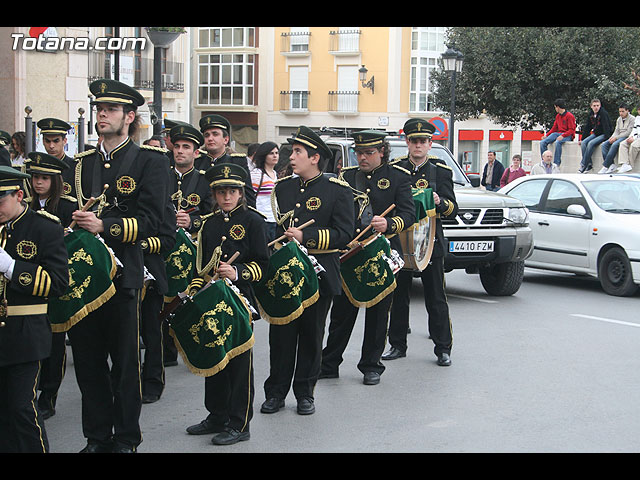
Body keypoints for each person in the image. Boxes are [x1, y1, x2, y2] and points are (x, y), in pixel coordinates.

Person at [67, 78, 170, 453]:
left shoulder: (151, 162)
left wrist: (105, 226)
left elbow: (154, 221)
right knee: (89, 364)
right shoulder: (81, 165)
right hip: (82, 278)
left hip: (123, 274)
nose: (101, 115)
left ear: (129, 116)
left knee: (126, 364)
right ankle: (96, 437)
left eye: (109, 110)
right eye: (98, 109)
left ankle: (126, 438)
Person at [262, 126, 353, 413]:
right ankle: (276, 392)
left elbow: (344, 234)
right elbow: (278, 228)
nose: (291, 156)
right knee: (281, 334)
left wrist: (307, 238)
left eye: (298, 152)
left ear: (315, 158)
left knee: (312, 335)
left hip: (319, 273)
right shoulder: (283, 187)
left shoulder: (337, 190)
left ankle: (305, 392)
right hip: (287, 274)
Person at [320, 129, 414, 386]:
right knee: (341, 312)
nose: (362, 158)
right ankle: (329, 363)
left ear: (382, 151)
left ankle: (371, 365)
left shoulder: (398, 177)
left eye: (368, 153)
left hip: (379, 252)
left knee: (378, 312)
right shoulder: (346, 177)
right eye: (359, 153)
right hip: (349, 252)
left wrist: (389, 223)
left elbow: (409, 213)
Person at [185, 162, 269, 445]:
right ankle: (217, 415)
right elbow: (201, 267)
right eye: (221, 192)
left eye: (232, 191)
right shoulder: (208, 224)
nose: (226, 197)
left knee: (239, 362)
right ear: (214, 194)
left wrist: (238, 271)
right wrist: (195, 291)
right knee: (214, 355)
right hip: (212, 298)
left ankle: (239, 422)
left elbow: (263, 265)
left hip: (240, 300)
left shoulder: (254, 222)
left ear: (241, 192)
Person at [0, 165, 69, 453]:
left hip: (24, 334)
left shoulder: (44, 228)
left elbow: (57, 283)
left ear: (19, 195)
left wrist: (12, 267)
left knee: (20, 408)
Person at [383, 119, 457, 367]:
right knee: (398, 296)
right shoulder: (395, 170)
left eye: (422, 141)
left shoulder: (441, 171)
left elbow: (452, 210)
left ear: (430, 144)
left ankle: (443, 348)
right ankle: (397, 344)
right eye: (413, 141)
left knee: (435, 297)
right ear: (407, 142)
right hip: (400, 242)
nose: (418, 146)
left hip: (430, 244)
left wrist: (439, 202)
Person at [24, 152, 78, 420]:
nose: (38, 183)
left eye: (45, 178)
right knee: (30, 342)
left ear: (55, 180)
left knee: (55, 344)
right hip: (28, 282)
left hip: (56, 282)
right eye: (35, 177)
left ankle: (49, 395)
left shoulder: (68, 207)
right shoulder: (24, 205)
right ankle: (29, 393)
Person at [197, 114, 256, 208]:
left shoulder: (237, 161)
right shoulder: (197, 162)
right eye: (207, 135)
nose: (210, 138)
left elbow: (248, 196)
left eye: (215, 134)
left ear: (226, 139)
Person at [169, 124, 213, 236]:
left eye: (186, 147)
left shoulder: (205, 181)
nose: (180, 151)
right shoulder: (161, 178)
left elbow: (212, 215)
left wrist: (191, 221)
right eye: (176, 146)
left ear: (196, 153)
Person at [37, 117, 76, 198]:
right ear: (43, 141)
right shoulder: (39, 167)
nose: (51, 146)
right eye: (47, 141)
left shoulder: (75, 167)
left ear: (64, 141)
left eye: (56, 141)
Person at [250, 141, 279, 242]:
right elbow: (250, 196)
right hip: (262, 219)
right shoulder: (256, 174)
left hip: (274, 219)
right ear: (264, 155)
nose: (275, 156)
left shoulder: (276, 174)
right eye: (271, 153)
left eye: (276, 153)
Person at [578, 99, 612, 173]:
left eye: (597, 106)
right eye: (594, 106)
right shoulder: (591, 114)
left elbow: (607, 126)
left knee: (591, 143)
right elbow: (588, 127)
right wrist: (582, 138)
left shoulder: (603, 113)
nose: (596, 107)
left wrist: (607, 138)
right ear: (591, 106)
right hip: (596, 133)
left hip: (604, 134)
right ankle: (589, 164)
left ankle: (583, 164)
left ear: (600, 106)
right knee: (584, 143)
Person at [539, 98, 576, 166]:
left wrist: (563, 136)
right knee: (542, 142)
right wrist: (547, 135)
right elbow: (554, 128)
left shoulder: (569, 116)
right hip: (558, 133)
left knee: (558, 142)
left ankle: (556, 163)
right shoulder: (558, 116)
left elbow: (571, 130)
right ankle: (544, 160)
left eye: (555, 107)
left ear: (557, 107)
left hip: (567, 135)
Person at [600, 105, 635, 174]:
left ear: (627, 111)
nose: (621, 113)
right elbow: (616, 130)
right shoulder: (619, 119)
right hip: (618, 136)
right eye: (620, 111)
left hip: (626, 136)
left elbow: (628, 132)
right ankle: (611, 164)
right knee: (604, 145)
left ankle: (605, 166)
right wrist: (612, 137)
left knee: (615, 144)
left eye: (623, 111)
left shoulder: (632, 119)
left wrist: (616, 138)